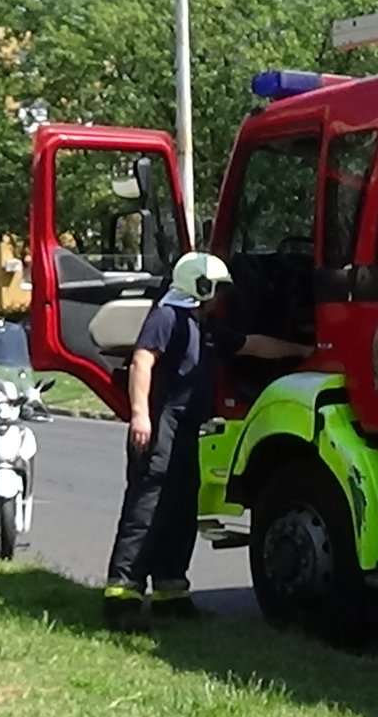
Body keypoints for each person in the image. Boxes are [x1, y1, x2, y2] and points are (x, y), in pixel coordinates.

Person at [102, 252, 313, 631]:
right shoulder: (166, 317)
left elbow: (254, 345)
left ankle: (171, 592)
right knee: (147, 507)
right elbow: (142, 362)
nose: (220, 298)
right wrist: (140, 415)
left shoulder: (205, 327)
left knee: (182, 505)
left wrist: (304, 351)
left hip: (186, 427)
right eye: (215, 289)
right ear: (199, 286)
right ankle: (122, 595)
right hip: (160, 423)